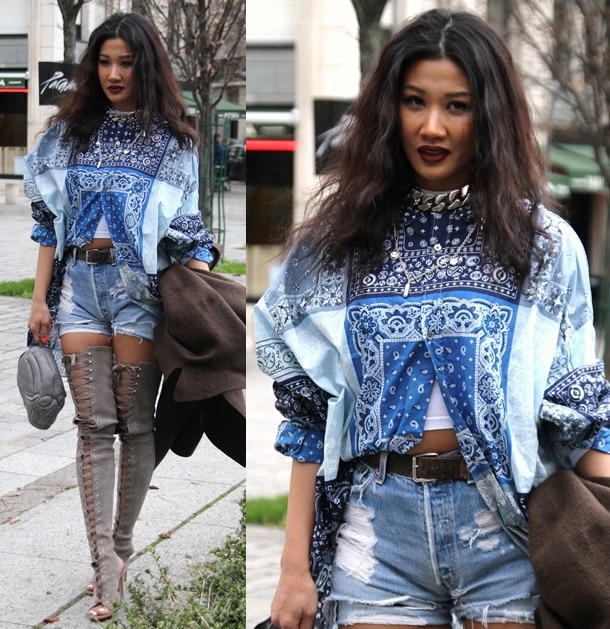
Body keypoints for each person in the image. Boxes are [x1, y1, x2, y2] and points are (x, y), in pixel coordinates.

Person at [254, 8, 610, 629]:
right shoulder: (334, 245)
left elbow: (578, 409)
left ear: (490, 114)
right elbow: (310, 417)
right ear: (389, 109)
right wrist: (292, 570)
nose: (432, 126)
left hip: (508, 531)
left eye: (458, 105)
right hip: (376, 537)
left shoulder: (544, 245)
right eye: (415, 101)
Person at [24, 12, 214, 622]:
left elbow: (188, 231)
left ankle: (122, 550)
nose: (112, 73)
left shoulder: (173, 141)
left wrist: (203, 282)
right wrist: (38, 300)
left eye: (125, 63)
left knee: (135, 426)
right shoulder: (65, 136)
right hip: (80, 288)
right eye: (103, 62)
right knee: (92, 425)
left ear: (145, 66)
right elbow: (47, 225)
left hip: (139, 293)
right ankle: (104, 565)